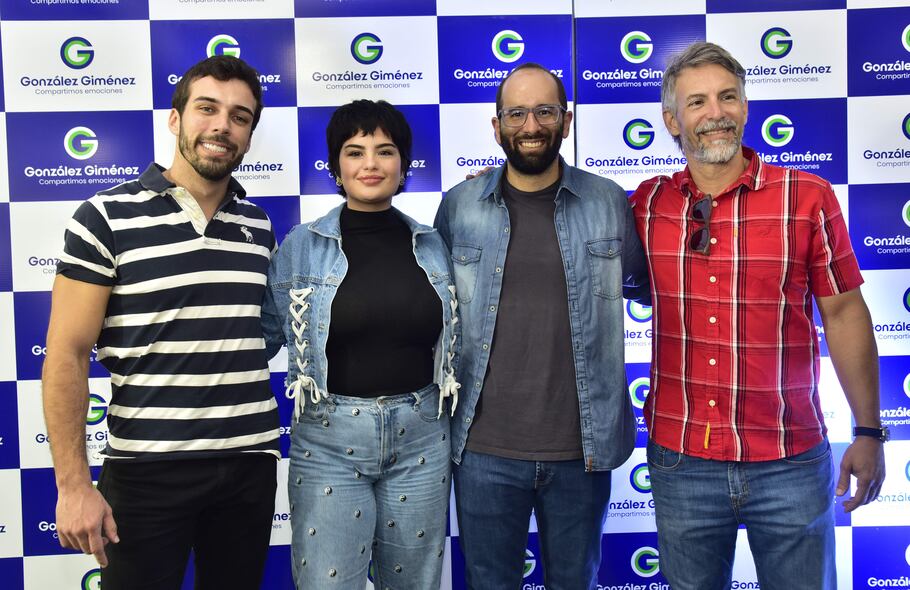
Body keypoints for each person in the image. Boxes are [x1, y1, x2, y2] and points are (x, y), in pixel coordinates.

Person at [631, 41, 886, 590]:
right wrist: (494, 187)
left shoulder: (808, 196)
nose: (715, 112)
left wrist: (868, 430)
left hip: (791, 458)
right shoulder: (644, 205)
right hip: (683, 459)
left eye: (728, 97)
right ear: (673, 121)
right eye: (696, 103)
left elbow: (844, 314)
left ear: (746, 108)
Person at [42, 56, 279, 589]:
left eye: (240, 117)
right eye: (207, 109)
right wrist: (73, 485)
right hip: (147, 470)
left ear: (248, 135)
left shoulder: (258, 225)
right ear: (176, 119)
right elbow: (65, 353)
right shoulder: (104, 217)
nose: (222, 125)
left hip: (249, 466)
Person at [435, 62, 650, 589]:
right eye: (516, 113)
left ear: (566, 120)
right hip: (483, 449)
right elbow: (435, 311)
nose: (531, 125)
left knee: (576, 581)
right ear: (497, 126)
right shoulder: (460, 205)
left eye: (544, 111)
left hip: (584, 450)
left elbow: (645, 285)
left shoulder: (608, 202)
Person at [261, 99, 460, 590]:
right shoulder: (300, 246)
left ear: (403, 164)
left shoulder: (435, 243)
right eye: (355, 151)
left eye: (384, 151)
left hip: (423, 437)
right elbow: (260, 338)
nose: (370, 163)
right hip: (327, 439)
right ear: (336, 166)